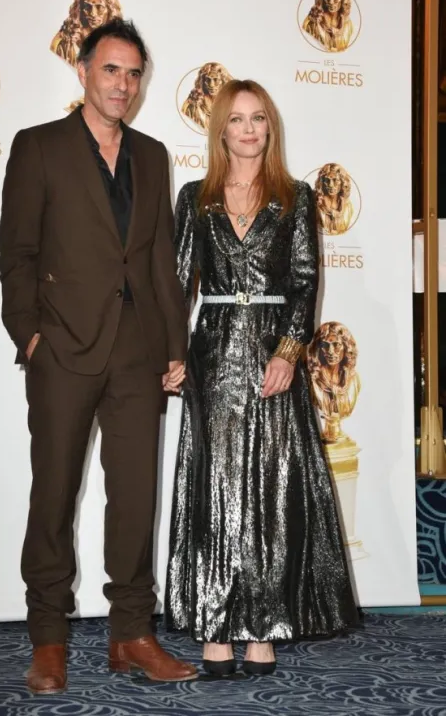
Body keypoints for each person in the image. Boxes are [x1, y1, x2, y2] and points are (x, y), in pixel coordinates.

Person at [0, 18, 197, 693]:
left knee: (135, 498)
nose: (123, 84)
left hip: (138, 354)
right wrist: (29, 335)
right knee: (53, 495)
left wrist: (175, 347)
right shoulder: (39, 148)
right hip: (63, 349)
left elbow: (161, 263)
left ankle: (131, 636)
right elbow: (17, 255)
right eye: (111, 69)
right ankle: (48, 639)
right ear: (83, 71)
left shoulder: (153, 154)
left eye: (133, 73)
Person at [164, 79, 358, 677]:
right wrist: (171, 353)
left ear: (269, 129)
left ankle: (263, 627)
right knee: (216, 492)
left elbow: (304, 281)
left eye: (259, 120)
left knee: (270, 494)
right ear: (220, 128)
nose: (248, 130)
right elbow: (176, 286)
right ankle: (217, 627)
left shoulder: (295, 197)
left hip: (273, 356)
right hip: (214, 355)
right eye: (238, 120)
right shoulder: (195, 198)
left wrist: (290, 351)